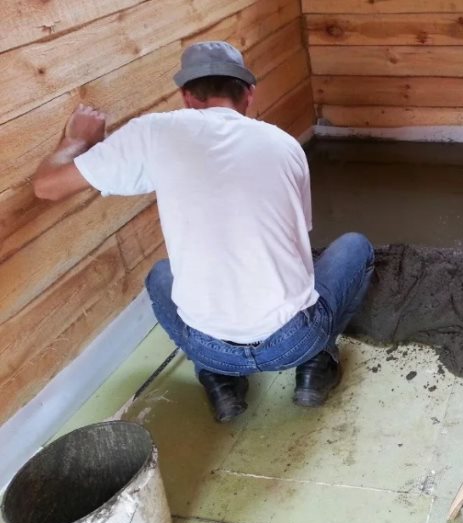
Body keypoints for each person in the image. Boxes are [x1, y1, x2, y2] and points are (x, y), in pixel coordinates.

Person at [32, 41, 374, 422]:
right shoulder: (285, 145)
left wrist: (77, 140)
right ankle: (315, 365)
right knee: (355, 248)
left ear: (186, 97)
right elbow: (298, 239)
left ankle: (219, 379)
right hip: (292, 341)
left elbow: (47, 186)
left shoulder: (153, 133)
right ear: (248, 94)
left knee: (159, 276)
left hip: (209, 346)